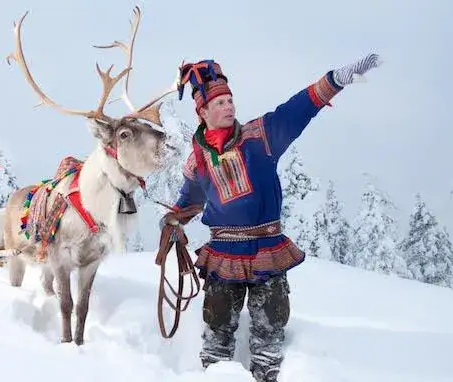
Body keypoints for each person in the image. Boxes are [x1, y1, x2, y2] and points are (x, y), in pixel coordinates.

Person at [163, 54, 381, 381]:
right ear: (203, 112)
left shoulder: (260, 137)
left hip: (268, 252)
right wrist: (173, 223)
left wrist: (334, 79)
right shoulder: (198, 162)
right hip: (224, 257)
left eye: (230, 100)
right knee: (217, 338)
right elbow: (189, 203)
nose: (229, 106)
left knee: (268, 340)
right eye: (220, 102)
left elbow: (297, 109)